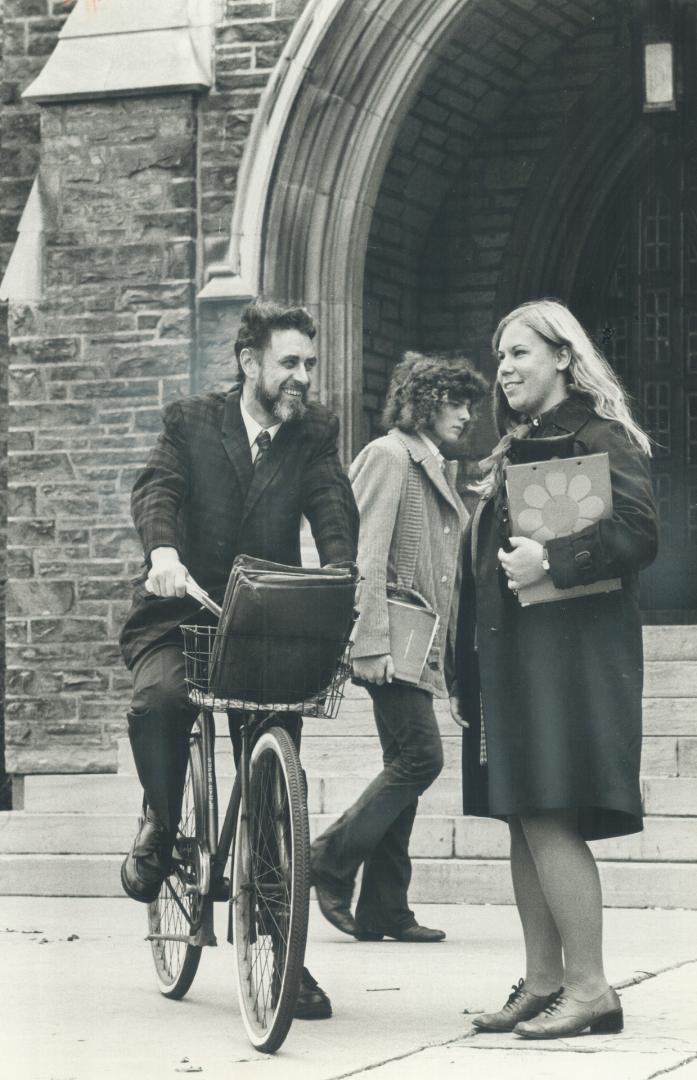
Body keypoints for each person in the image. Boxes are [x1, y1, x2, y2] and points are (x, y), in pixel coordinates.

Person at [119, 299, 359, 1020]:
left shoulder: (313, 432)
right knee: (157, 703)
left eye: (310, 364)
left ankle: (285, 957)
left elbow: (331, 505)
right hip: (185, 609)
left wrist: (344, 576)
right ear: (250, 362)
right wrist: (162, 552)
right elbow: (156, 489)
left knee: (274, 790)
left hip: (263, 625)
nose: (302, 377)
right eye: (289, 362)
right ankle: (163, 823)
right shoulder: (192, 420)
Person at [452, 299, 657, 1038]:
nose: (503, 368)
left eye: (520, 354)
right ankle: (543, 981)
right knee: (522, 813)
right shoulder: (521, 441)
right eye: (500, 356)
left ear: (562, 357)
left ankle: (590, 987)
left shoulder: (598, 435)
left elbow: (637, 534)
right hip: (515, 665)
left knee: (548, 810)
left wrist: (555, 559)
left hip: (571, 668)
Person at [311, 351, 488, 943]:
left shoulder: (437, 466)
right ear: (426, 403)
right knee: (422, 759)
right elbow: (363, 554)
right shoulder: (389, 456)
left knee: (403, 766)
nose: (467, 416)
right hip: (389, 642)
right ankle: (329, 859)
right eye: (456, 403)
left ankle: (385, 908)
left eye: (470, 404)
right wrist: (367, 640)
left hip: (420, 647)